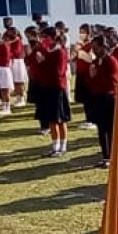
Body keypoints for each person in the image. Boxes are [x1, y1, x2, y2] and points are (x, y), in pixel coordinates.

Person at [31, 27, 72, 157]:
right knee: (51, 119)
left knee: (60, 119)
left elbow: (58, 71)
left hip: (57, 88)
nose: (43, 40)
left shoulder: (60, 52)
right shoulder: (49, 51)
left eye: (45, 37)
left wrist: (43, 62)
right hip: (47, 87)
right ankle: (55, 146)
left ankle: (63, 146)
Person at [84, 33, 118, 168]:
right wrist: (92, 76)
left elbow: (112, 82)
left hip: (108, 98)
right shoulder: (95, 62)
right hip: (97, 97)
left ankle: (112, 155)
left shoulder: (111, 61)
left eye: (96, 47)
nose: (93, 50)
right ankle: (105, 155)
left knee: (110, 129)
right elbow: (90, 80)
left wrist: (96, 74)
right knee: (101, 128)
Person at [0, 29, 14, 116]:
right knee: (0, 89)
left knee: (5, 89)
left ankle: (7, 108)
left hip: (3, 69)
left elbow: (5, 58)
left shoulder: (4, 45)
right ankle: (4, 106)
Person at [7, 28, 28, 108]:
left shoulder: (18, 41)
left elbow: (16, 52)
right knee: (16, 81)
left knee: (19, 81)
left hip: (18, 62)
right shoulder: (12, 42)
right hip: (13, 62)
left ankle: (21, 99)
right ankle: (18, 98)